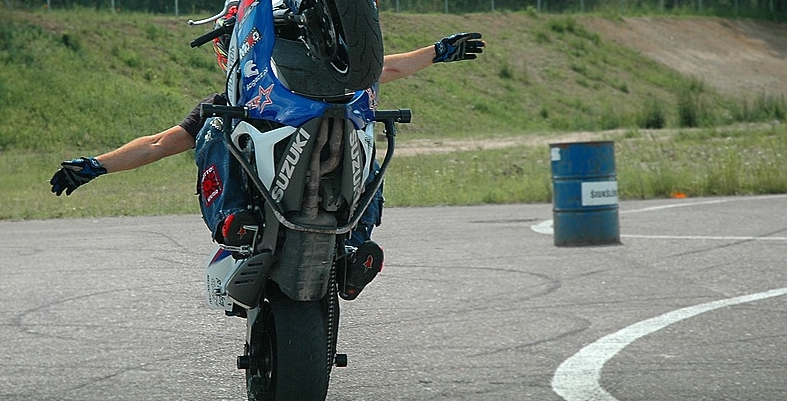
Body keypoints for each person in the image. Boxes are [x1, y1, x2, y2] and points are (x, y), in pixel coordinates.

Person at [50, 31, 485, 296]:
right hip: (258, 206)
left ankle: (355, 249)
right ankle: (235, 220)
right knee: (215, 122)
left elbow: (380, 70)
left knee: (363, 130)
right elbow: (158, 143)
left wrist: (438, 51)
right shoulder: (221, 104)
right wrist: (96, 165)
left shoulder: (319, 90)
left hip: (322, 191)